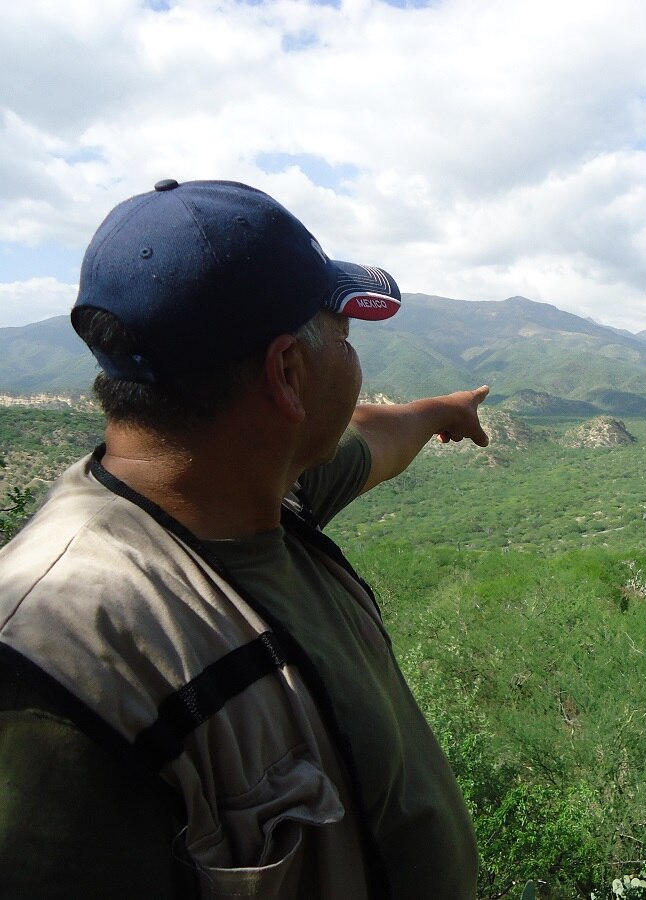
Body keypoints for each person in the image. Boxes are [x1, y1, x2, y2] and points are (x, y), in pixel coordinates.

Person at [0, 179, 489, 899]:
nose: (357, 366)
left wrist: (440, 411)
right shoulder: (59, 660)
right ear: (287, 374)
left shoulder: (257, 493)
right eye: (346, 340)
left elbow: (372, 437)